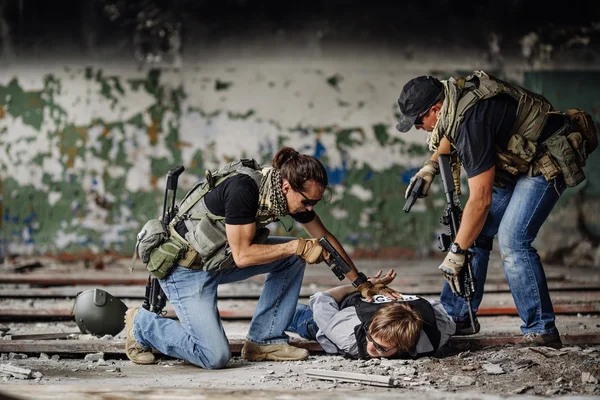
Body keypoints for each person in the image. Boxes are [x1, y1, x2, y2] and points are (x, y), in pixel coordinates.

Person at [125, 147, 401, 368]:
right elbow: (243, 255)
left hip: (218, 260)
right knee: (214, 356)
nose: (309, 209)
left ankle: (263, 340)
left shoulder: (283, 197)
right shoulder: (244, 190)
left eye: (314, 203)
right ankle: (142, 325)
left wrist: (362, 284)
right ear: (286, 188)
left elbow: (324, 237)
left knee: (294, 255)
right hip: (186, 270)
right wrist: (297, 247)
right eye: (307, 202)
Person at [395, 71, 593, 349]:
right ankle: (458, 315)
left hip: (546, 159)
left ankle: (541, 330)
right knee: (472, 232)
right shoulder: (455, 99)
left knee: (513, 240)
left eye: (418, 121)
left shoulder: (472, 124)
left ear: (435, 109)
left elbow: (481, 199)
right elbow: (447, 132)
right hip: (519, 161)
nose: (418, 127)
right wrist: (430, 166)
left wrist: (456, 252)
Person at [287, 269, 456, 359]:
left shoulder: (435, 335)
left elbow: (431, 307)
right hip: (340, 309)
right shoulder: (347, 334)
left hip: (375, 309)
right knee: (284, 314)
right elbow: (323, 297)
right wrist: (364, 286)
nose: (370, 347)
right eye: (371, 338)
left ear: (404, 347)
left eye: (381, 348)